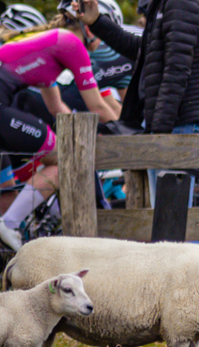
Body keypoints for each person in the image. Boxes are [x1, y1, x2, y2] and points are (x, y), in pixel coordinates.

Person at [113, 0, 199, 240]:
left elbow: (177, 69)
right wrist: (97, 23)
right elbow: (145, 50)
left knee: (176, 229)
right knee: (170, 226)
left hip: (179, 124)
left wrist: (159, 132)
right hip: (171, 122)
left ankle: (193, 291)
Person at [0, 15, 121, 247]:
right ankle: (10, 224)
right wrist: (125, 136)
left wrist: (83, 138)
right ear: (87, 29)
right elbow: (97, 106)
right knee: (66, 158)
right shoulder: (71, 43)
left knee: (67, 151)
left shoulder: (48, 47)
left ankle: (41, 224)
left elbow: (58, 110)